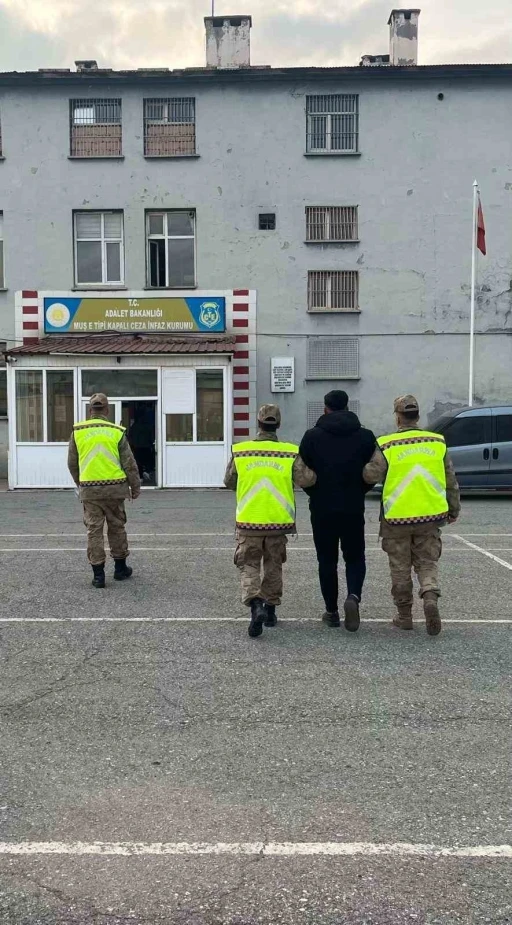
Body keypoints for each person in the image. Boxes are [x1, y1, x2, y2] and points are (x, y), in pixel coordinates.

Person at [363, 394, 461, 635]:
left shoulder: (387, 445)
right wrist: (453, 508)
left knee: (400, 568)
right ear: (417, 415)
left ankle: (405, 615)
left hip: (397, 518)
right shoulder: (437, 442)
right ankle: (429, 595)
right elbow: (451, 480)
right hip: (430, 516)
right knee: (427, 562)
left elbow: (370, 475)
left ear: (398, 417)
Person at [224, 404, 316, 638]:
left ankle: (255, 605)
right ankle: (271, 611)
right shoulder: (289, 452)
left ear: (258, 423)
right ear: (279, 424)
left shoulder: (241, 451)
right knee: (274, 565)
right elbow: (307, 480)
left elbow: (229, 481)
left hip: (249, 521)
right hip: (278, 522)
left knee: (249, 565)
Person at [299, 390, 377, 632]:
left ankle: (331, 611)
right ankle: (353, 596)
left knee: (327, 560)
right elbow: (376, 470)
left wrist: (316, 493)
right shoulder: (365, 436)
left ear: (325, 408)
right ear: (347, 406)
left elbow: (301, 473)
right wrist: (361, 489)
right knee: (355, 557)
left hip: (322, 509)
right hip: (353, 507)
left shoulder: (312, 436)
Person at [68, 393, 141, 588]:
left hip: (90, 491)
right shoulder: (116, 431)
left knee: (94, 530)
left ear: (90, 410)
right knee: (117, 527)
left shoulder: (78, 431)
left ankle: (98, 575)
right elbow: (129, 463)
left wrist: (80, 483)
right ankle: (120, 569)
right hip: (115, 490)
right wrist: (135, 487)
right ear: (107, 410)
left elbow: (72, 463)